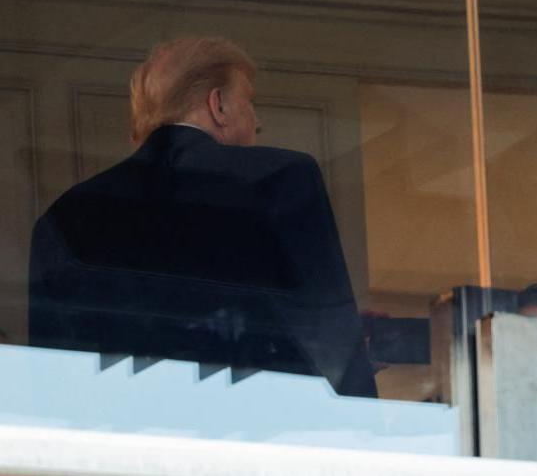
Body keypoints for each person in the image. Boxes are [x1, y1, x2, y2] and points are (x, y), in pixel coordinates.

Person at [29, 37, 377, 398]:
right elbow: (328, 335)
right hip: (260, 430)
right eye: (250, 101)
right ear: (219, 105)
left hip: (123, 439)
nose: (257, 121)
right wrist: (363, 414)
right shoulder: (281, 177)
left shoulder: (64, 218)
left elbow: (52, 378)